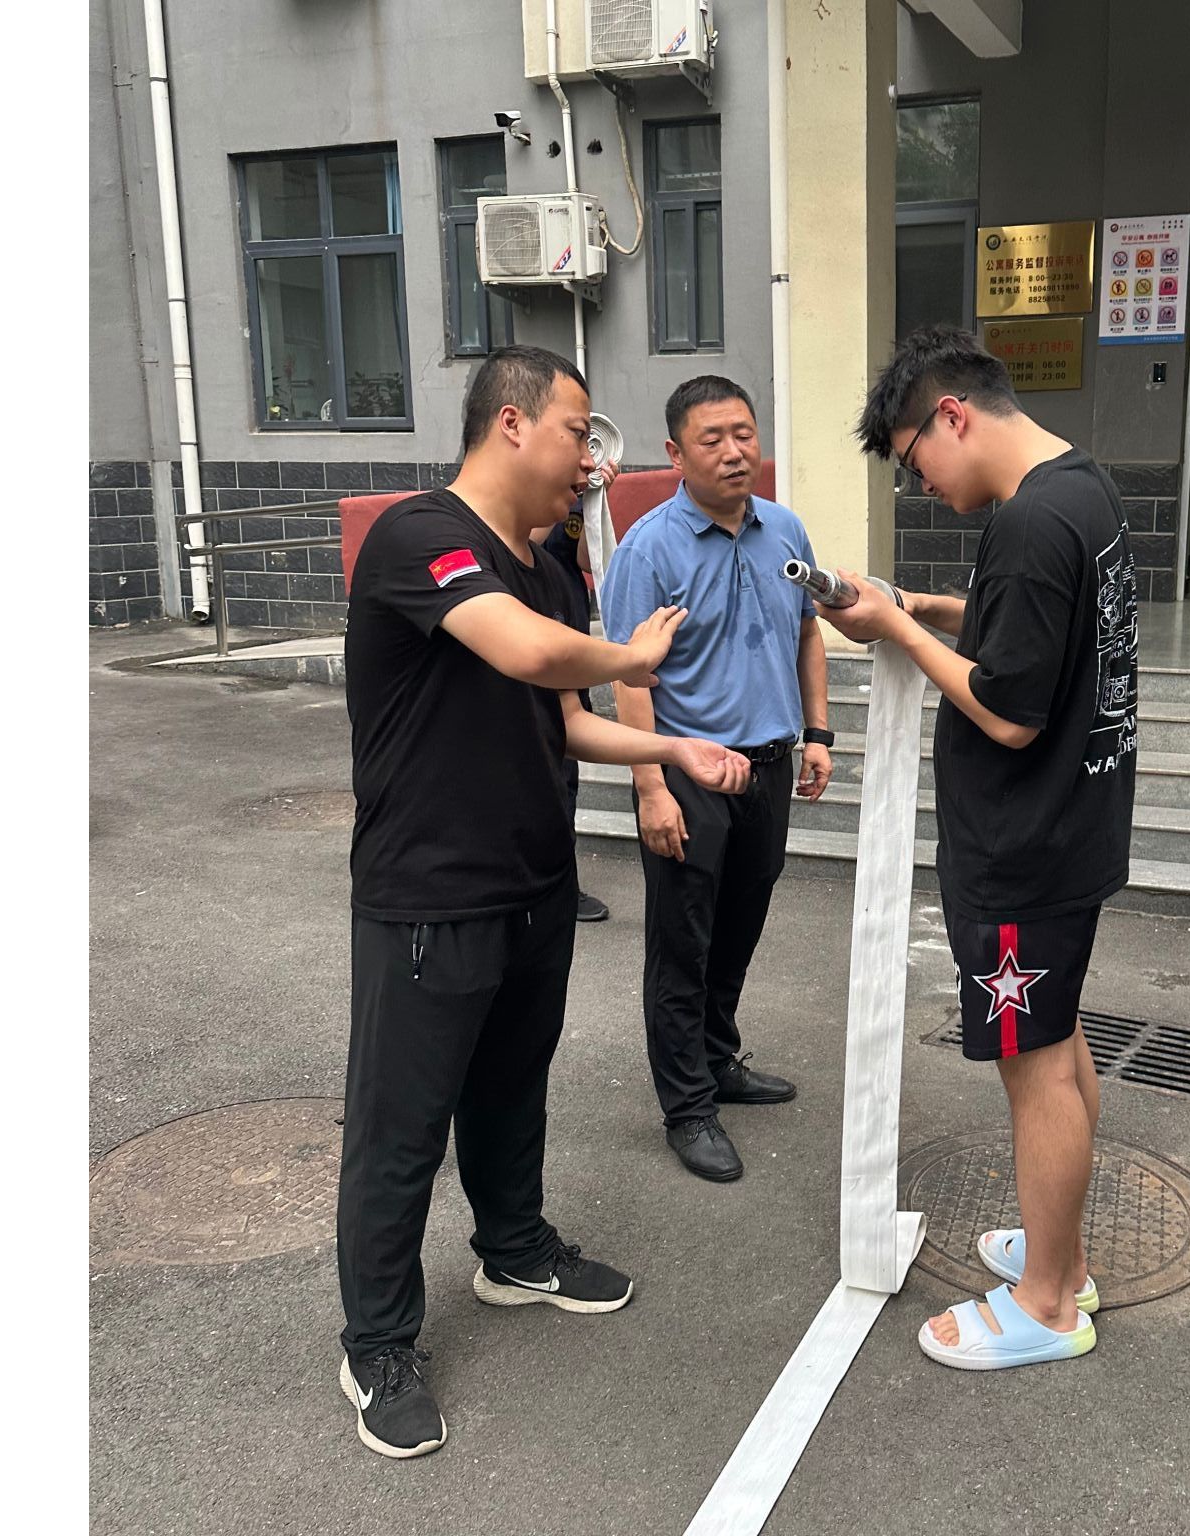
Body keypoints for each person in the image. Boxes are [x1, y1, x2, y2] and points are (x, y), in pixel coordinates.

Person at [336, 345, 751, 1459]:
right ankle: (376, 1344)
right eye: (579, 433)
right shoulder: (422, 537)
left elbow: (563, 719)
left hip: (533, 885)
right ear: (512, 423)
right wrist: (629, 651)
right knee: (400, 1130)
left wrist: (672, 747)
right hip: (428, 896)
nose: (590, 462)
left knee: (512, 1092)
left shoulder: (550, 565)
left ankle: (513, 1252)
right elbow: (524, 653)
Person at [821, 325, 1138, 1371]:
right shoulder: (1078, 488)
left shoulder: (1028, 523)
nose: (920, 484)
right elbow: (1033, 633)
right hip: (1075, 829)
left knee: (1033, 1067)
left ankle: (1046, 1303)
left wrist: (899, 634)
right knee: (1060, 1043)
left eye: (913, 461)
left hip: (1023, 847)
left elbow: (1006, 709)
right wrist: (923, 607)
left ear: (950, 416)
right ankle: (1064, 1257)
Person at [596, 377, 832, 1182]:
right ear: (675, 453)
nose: (735, 452)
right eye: (712, 439)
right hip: (688, 774)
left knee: (738, 927)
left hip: (768, 765)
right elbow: (630, 675)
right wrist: (650, 788)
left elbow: (807, 634)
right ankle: (688, 1107)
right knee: (682, 944)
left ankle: (718, 1059)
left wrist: (818, 733)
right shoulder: (648, 550)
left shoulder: (784, 529)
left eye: (744, 434)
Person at [532, 460, 620, 922]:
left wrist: (594, 499)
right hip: (531, 653)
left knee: (565, 778)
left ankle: (563, 885)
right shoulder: (528, 500)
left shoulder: (573, 501)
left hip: (569, 647)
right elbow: (524, 541)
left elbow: (586, 560)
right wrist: (560, 487)